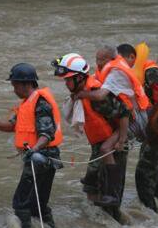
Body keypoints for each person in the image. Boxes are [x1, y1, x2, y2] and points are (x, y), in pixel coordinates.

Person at [0, 63, 63, 228]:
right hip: (39, 157)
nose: (14, 89)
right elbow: (12, 125)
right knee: (38, 205)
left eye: (15, 85)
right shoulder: (26, 103)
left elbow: (47, 134)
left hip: (41, 159)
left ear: (26, 84)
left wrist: (33, 150)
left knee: (21, 203)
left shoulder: (40, 104)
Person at [75, 45, 151, 209]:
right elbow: (95, 82)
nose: (98, 63)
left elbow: (101, 95)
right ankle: (97, 185)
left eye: (101, 60)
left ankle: (112, 195)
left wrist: (81, 94)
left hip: (136, 118)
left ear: (111, 59)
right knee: (103, 149)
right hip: (127, 114)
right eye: (96, 59)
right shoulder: (108, 68)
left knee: (106, 148)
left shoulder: (116, 72)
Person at [52, 53, 130, 212]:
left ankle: (114, 213)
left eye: (68, 79)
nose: (66, 83)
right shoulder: (81, 94)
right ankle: (96, 220)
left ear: (80, 78)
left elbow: (124, 114)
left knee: (109, 193)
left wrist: (121, 140)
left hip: (115, 142)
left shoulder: (97, 96)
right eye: (65, 79)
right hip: (99, 143)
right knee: (90, 186)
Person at [117, 43, 158, 211]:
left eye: (121, 59)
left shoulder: (152, 72)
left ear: (133, 57)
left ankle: (152, 214)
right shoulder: (138, 72)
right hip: (152, 128)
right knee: (152, 172)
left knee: (144, 172)